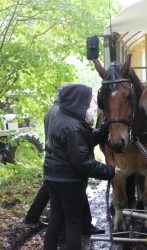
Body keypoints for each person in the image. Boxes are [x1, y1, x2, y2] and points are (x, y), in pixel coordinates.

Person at [43, 84, 119, 250]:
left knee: (56, 219)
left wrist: (102, 130)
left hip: (52, 176)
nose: (90, 104)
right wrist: (110, 172)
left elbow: (82, 142)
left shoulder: (62, 117)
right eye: (88, 101)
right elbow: (83, 162)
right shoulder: (74, 125)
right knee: (73, 222)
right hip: (68, 180)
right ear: (78, 101)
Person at [24, 85, 106, 235]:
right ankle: (77, 229)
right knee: (70, 218)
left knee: (57, 212)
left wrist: (99, 133)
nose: (88, 105)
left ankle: (33, 218)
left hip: (54, 165)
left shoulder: (54, 112)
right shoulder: (67, 117)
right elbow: (78, 149)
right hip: (67, 170)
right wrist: (109, 171)